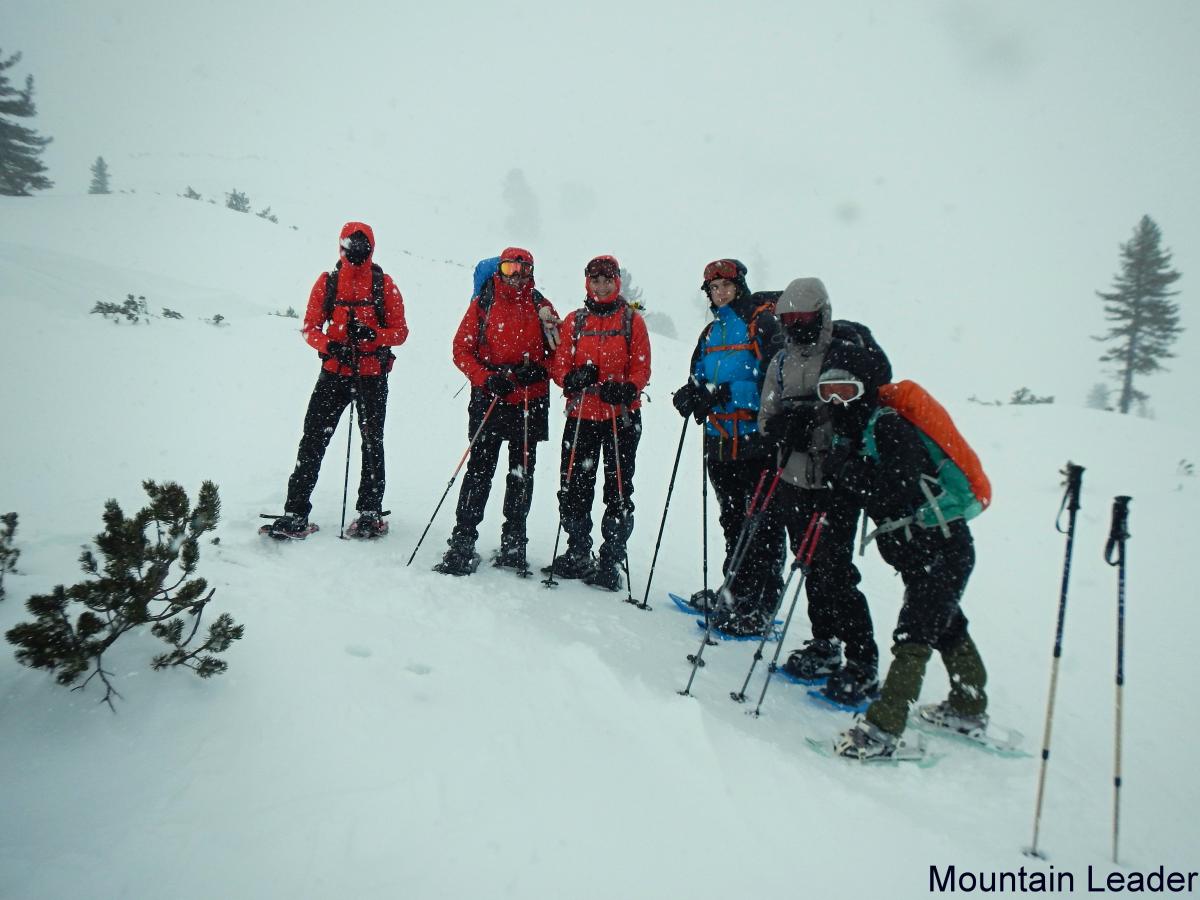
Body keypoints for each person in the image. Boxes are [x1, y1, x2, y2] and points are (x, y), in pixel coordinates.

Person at [808, 351, 989, 760]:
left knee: (914, 634)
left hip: (942, 549)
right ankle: (968, 705)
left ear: (864, 390)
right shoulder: (857, 431)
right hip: (922, 551)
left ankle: (883, 728)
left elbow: (897, 489)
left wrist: (845, 469)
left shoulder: (888, 426)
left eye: (846, 390)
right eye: (828, 390)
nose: (837, 400)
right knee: (945, 623)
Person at [756, 277, 889, 707]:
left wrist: (825, 429)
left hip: (836, 484)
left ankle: (862, 661)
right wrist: (783, 427)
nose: (796, 327)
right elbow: (766, 418)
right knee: (809, 563)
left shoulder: (846, 354)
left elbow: (863, 412)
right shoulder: (779, 361)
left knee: (836, 570)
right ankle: (824, 641)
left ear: (822, 316)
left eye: (804, 319)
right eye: (788, 319)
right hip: (794, 479)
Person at [267, 221, 409, 540]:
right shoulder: (328, 282)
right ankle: (295, 510)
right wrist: (332, 346)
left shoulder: (383, 284)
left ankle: (369, 512)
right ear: (341, 247)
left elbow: (401, 332)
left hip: (371, 375)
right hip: (334, 372)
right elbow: (310, 327)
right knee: (314, 438)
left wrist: (373, 336)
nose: (356, 253)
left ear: (370, 248)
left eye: (361, 247)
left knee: (371, 442)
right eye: (350, 246)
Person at [670, 259, 786, 635]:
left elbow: (775, 381)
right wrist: (690, 395)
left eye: (725, 286)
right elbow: (697, 377)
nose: (719, 293)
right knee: (733, 520)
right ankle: (736, 591)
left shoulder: (762, 324)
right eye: (713, 288)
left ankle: (763, 604)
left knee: (762, 524)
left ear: (740, 287)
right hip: (720, 442)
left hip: (756, 441)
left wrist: (726, 394)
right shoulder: (711, 332)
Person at [437, 247, 560, 575]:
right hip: (490, 397)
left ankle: (514, 542)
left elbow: (559, 353)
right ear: (499, 269)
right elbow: (460, 348)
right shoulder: (484, 302)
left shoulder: (541, 306)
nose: (516, 275)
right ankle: (463, 539)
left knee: (521, 473)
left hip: (529, 401)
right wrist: (487, 378)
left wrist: (539, 369)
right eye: (509, 267)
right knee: (479, 469)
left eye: (523, 268)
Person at [546, 255, 652, 591]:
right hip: (581, 416)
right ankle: (578, 551)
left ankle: (610, 560)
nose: (601, 286)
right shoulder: (575, 321)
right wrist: (573, 378)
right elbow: (559, 367)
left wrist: (628, 387)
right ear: (587, 283)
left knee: (618, 490)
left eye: (607, 280)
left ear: (617, 282)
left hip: (620, 416)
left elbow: (641, 367)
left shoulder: (631, 321)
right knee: (574, 487)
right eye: (595, 280)